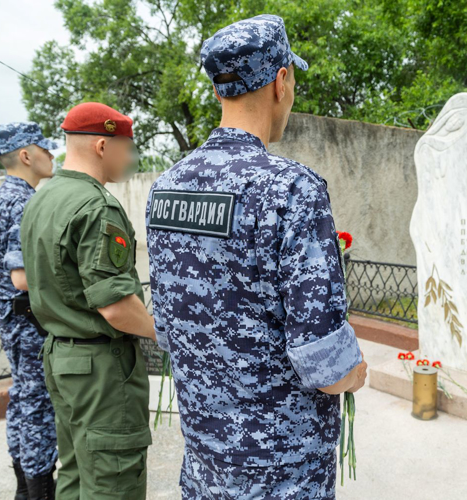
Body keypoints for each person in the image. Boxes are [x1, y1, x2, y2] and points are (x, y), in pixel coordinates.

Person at [146, 14, 368, 499]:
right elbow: (325, 364)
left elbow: (167, 325)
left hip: (204, 467)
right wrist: (355, 372)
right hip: (283, 474)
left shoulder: (164, 189)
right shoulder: (290, 190)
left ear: (217, 90)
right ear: (281, 81)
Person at [20, 102, 156, 500]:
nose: (129, 158)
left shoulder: (44, 197)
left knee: (78, 474)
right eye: (127, 148)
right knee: (113, 480)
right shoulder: (97, 205)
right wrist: (161, 332)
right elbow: (114, 306)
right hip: (101, 369)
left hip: (62, 358)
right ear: (102, 145)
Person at [0, 122, 59, 500]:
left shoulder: (0, 197)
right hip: (28, 321)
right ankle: (39, 491)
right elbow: (22, 277)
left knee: (22, 400)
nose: (52, 155)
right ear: (26, 156)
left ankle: (23, 487)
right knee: (38, 409)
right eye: (45, 149)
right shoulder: (23, 201)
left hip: (10, 319)